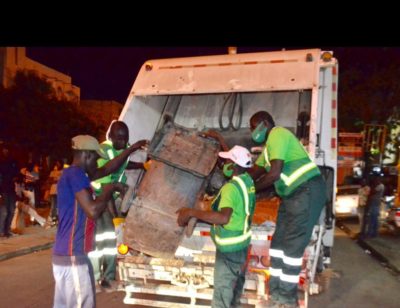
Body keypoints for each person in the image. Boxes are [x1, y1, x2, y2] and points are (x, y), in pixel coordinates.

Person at [52, 135, 147, 308]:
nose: (97, 165)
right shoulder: (76, 175)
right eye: (96, 159)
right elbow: (93, 210)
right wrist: (109, 189)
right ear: (87, 155)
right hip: (73, 254)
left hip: (65, 255)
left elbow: (107, 169)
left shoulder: (73, 174)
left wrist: (131, 149)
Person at [248, 111, 326, 308]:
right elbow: (254, 172)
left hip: (307, 190)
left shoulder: (278, 134)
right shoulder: (268, 149)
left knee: (291, 248)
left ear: (265, 123)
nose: (252, 131)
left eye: (254, 126)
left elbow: (273, 174)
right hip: (292, 196)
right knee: (278, 246)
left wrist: (248, 190)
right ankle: (275, 294)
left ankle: (287, 301)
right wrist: (236, 176)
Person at [176, 145, 255, 308]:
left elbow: (223, 217)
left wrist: (192, 212)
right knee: (234, 292)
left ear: (233, 165)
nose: (223, 164)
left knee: (222, 295)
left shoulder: (230, 189)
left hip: (229, 249)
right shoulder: (248, 182)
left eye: (227, 161)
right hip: (242, 245)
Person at [89, 121, 149, 290]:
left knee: (109, 241)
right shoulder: (103, 151)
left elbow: (123, 163)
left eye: (126, 140)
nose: (123, 143)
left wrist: (142, 165)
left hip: (111, 196)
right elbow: (105, 188)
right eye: (120, 139)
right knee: (99, 242)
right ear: (111, 136)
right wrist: (116, 217)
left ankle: (108, 278)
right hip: (99, 201)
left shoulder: (121, 146)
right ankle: (95, 280)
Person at [0, 145, 19, 237]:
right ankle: (2, 231)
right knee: (4, 211)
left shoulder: (12, 161)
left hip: (11, 189)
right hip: (3, 190)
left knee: (12, 210)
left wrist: (16, 178)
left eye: (7, 149)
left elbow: (17, 174)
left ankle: (7, 230)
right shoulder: (1, 162)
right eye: (4, 149)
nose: (6, 151)